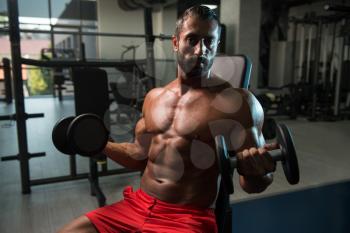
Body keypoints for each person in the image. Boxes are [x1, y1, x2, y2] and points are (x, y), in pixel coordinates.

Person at [57, 5, 277, 233]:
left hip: (186, 218)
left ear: (217, 45)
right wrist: (100, 145)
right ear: (175, 43)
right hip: (137, 206)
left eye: (209, 41)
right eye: (192, 39)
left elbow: (255, 184)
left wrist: (257, 172)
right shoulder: (154, 98)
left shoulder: (238, 103)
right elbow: (137, 156)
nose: (201, 50)